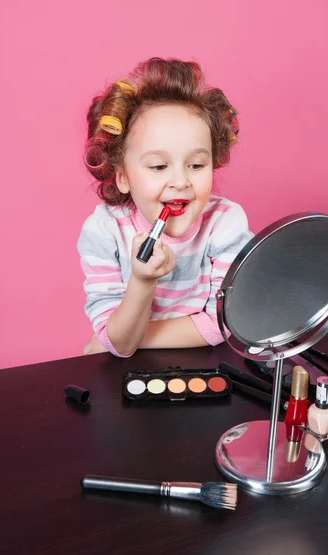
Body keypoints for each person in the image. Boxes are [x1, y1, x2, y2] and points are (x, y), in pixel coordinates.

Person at [77, 57, 253, 357]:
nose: (181, 181)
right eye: (159, 166)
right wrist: (143, 280)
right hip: (125, 378)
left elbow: (224, 323)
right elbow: (115, 336)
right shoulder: (104, 231)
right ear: (122, 177)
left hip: (208, 368)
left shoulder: (226, 223)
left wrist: (123, 341)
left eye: (196, 164)